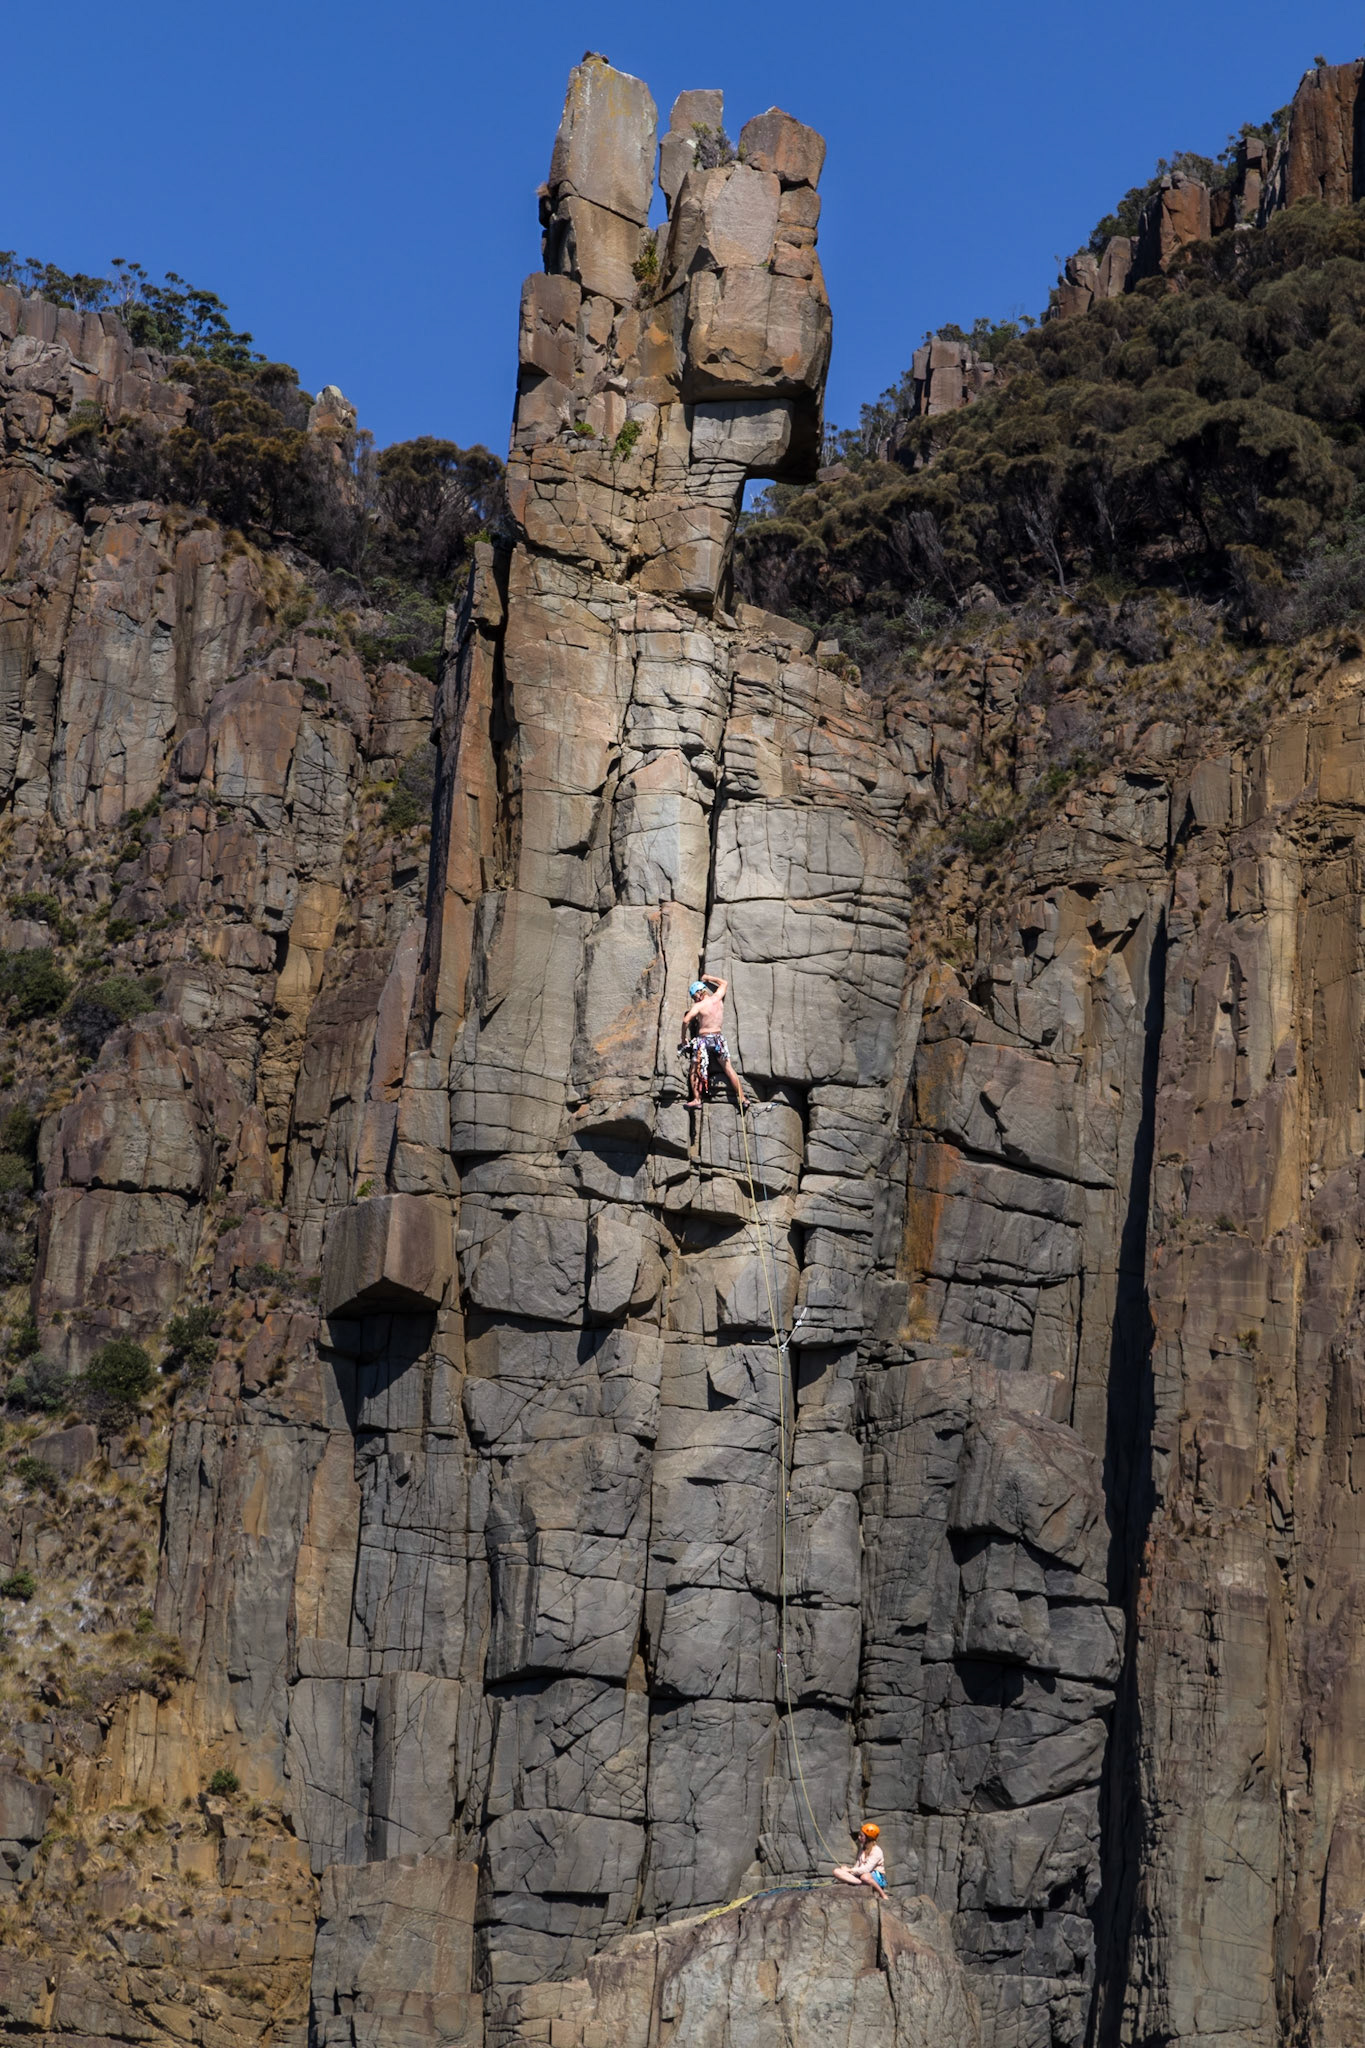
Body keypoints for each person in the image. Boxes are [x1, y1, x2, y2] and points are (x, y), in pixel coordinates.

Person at [678, 973, 748, 1110]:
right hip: (718, 1039)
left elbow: (686, 1020)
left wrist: (683, 1038)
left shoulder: (698, 1006)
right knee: (728, 1068)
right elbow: (724, 983)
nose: (694, 1000)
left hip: (703, 1041)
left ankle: (697, 1099)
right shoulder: (717, 998)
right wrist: (709, 978)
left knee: (695, 1068)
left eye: (694, 997)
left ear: (698, 994)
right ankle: (743, 1099)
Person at [833, 1822, 886, 1890]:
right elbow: (858, 1865)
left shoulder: (877, 1851)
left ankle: (862, 1882)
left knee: (864, 1877)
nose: (859, 1837)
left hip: (874, 1876)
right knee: (836, 1871)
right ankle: (858, 1882)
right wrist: (848, 1872)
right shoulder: (862, 1849)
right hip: (861, 1875)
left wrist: (849, 1870)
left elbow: (867, 1869)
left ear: (868, 1838)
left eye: (861, 1836)